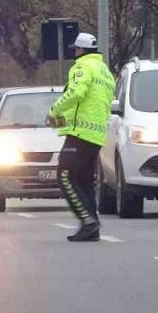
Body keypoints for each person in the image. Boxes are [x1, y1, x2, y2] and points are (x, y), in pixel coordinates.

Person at [48, 32, 116, 241]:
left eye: (75, 49)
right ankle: (91, 226)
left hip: (80, 132)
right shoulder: (105, 72)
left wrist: (55, 110)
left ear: (80, 50)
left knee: (65, 176)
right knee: (85, 180)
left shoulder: (81, 67)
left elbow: (77, 93)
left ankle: (87, 219)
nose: (75, 53)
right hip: (96, 134)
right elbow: (98, 103)